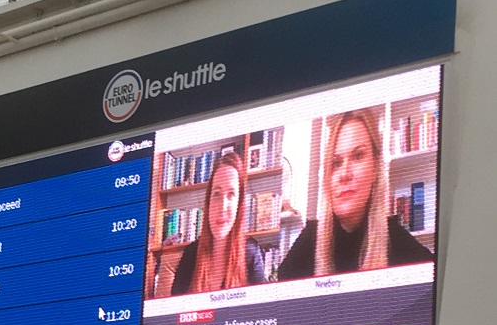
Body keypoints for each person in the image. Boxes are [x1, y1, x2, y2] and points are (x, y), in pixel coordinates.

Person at [278, 107, 433, 279]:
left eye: (358, 156)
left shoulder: (401, 246)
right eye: (336, 163)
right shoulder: (307, 245)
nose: (344, 174)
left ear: (375, 168)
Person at [170, 152, 265, 295]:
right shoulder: (190, 254)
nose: (222, 206)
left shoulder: (250, 251)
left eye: (231, 194)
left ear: (239, 204)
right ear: (208, 203)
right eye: (217, 194)